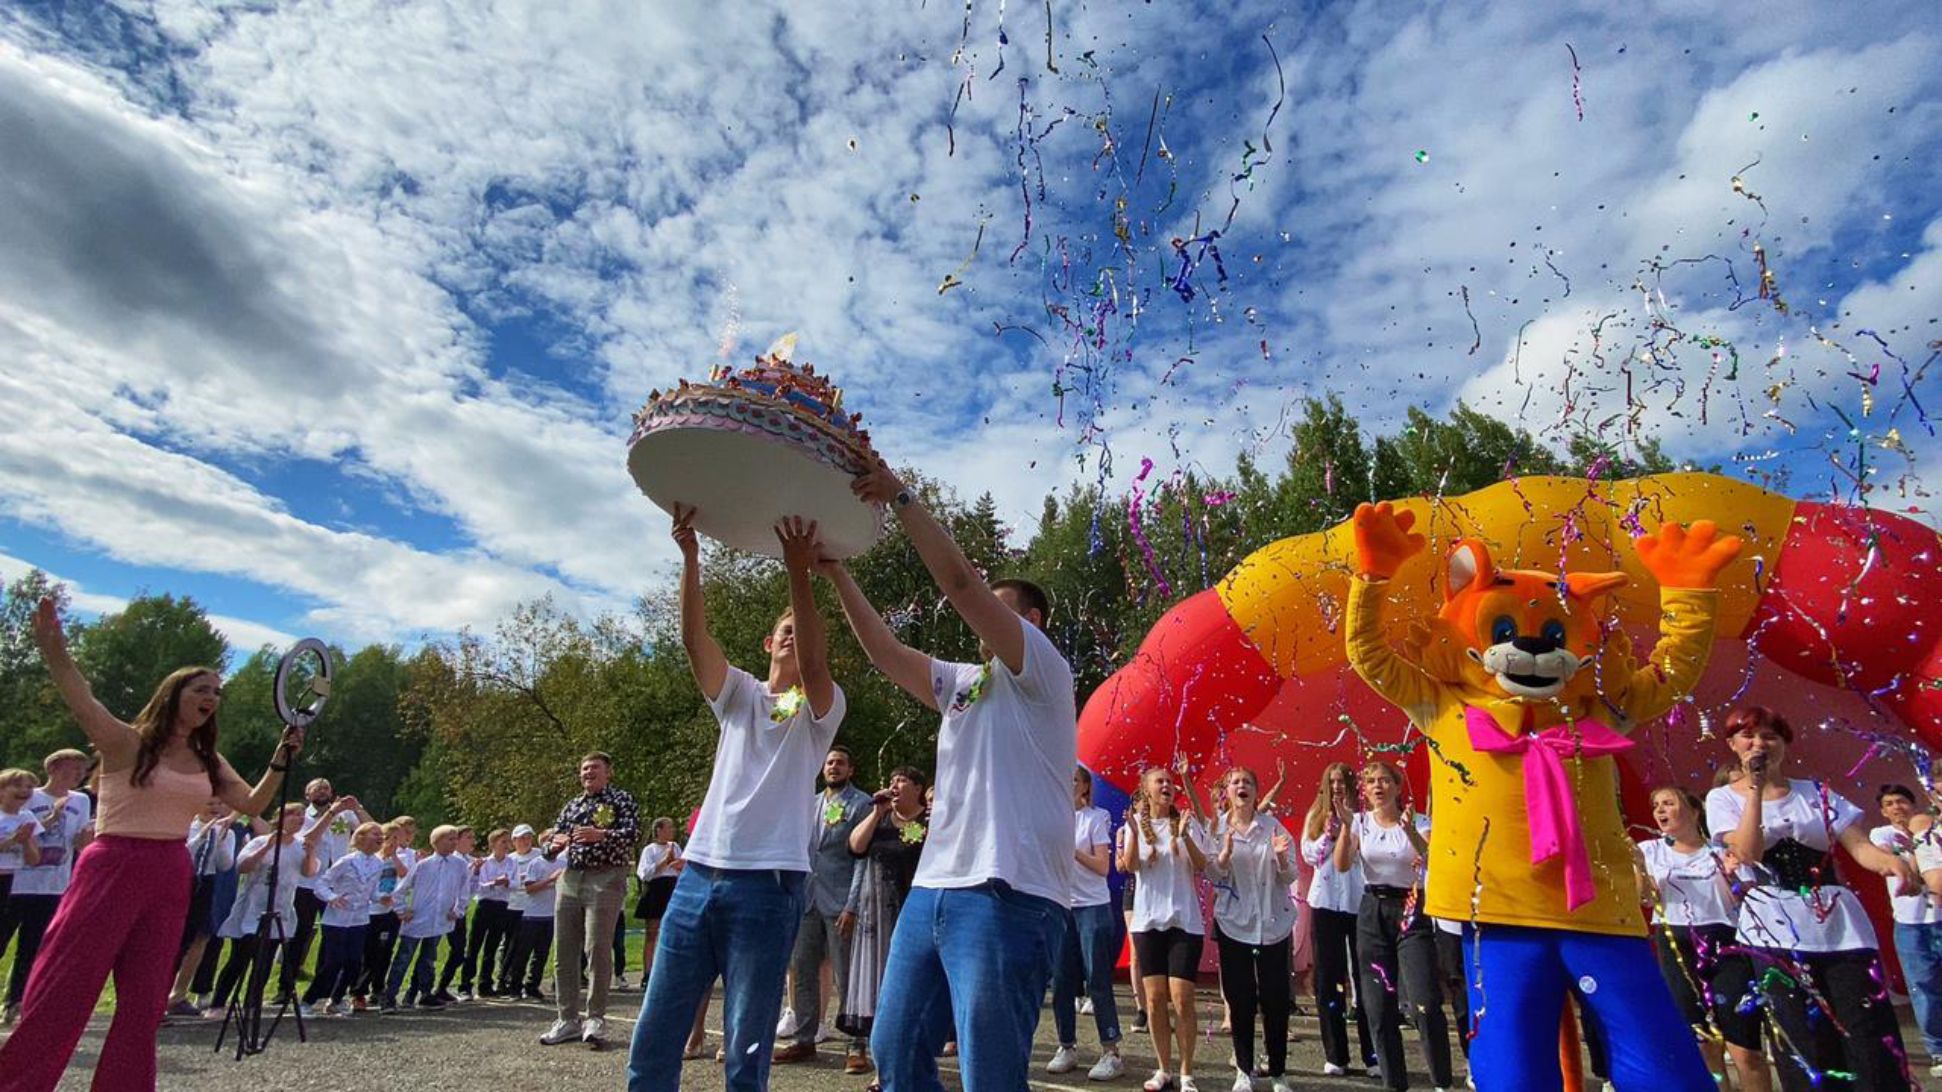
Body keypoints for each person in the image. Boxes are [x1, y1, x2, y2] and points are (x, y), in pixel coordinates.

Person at [825, 463, 1076, 1092]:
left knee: (988, 1074)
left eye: (1002, 606)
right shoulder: (965, 682)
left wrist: (902, 497)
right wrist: (834, 570)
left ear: (1033, 623)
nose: (982, 614)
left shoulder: (1044, 672)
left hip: (1006, 895)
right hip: (933, 891)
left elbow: (962, 584)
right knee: (894, 1047)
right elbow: (884, 652)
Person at [0, 598, 303, 1092]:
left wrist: (279, 759)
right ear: (174, 694)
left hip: (170, 869)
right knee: (66, 988)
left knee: (144, 1002)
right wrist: (55, 651)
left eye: (217, 692)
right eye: (202, 689)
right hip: (113, 862)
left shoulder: (209, 758)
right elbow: (83, 700)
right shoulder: (128, 742)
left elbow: (249, 804)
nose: (213, 697)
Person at [628, 511, 844, 1092]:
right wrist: (691, 557)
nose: (795, 633)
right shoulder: (739, 694)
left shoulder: (820, 709)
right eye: (785, 628)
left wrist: (800, 571)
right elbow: (693, 641)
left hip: (770, 886)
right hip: (698, 876)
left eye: (804, 626)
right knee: (656, 1031)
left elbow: (817, 663)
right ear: (767, 643)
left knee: (747, 1045)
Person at [1706, 705, 1920, 1092]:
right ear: (1733, 744)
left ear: (1784, 743)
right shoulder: (1722, 799)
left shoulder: (1816, 792)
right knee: (1802, 1036)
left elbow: (1857, 846)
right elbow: (1748, 851)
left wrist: (1890, 863)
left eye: (1770, 736)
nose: (1759, 744)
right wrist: (1755, 790)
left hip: (1839, 924)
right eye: (1749, 736)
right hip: (1772, 929)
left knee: (1865, 1030)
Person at [1333, 761, 1452, 1092]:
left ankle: (1441, 1081)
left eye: (1385, 781)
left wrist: (1409, 828)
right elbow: (1341, 865)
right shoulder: (1359, 822)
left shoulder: (1418, 821)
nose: (1378, 787)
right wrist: (1345, 828)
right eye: (1371, 782)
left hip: (1411, 907)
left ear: (1398, 787)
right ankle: (1393, 1083)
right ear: (1365, 791)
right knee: (1376, 1006)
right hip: (1373, 909)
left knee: (1424, 1001)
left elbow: (1432, 856)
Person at [1633, 786, 1759, 1089]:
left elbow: (1748, 896)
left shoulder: (1719, 851)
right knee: (1701, 1042)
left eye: (1669, 803)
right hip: (1677, 944)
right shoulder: (1651, 850)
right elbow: (1646, 898)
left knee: (1745, 1047)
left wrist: (1733, 878)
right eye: (1656, 805)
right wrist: (1636, 865)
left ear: (1693, 810)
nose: (1661, 810)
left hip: (1725, 942)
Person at [776, 745, 873, 1072]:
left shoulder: (861, 804)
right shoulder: (810, 803)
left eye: (840, 763)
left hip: (841, 902)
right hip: (807, 901)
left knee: (847, 976)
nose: (833, 767)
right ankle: (804, 1039)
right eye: (829, 762)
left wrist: (852, 903)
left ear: (851, 770)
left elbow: (863, 860)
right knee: (802, 969)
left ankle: (855, 1044)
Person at [538, 751, 640, 1047]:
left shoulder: (621, 800)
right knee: (564, 950)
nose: (588, 773)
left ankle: (595, 1017)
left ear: (609, 772)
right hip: (571, 877)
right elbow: (549, 846)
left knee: (597, 946)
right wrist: (553, 847)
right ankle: (566, 1018)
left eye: (594, 768)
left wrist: (603, 835)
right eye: (584, 769)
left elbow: (633, 833)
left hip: (606, 876)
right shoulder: (572, 806)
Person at [1119, 765, 1210, 1092]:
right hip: (1147, 922)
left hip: (1183, 922)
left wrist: (1185, 834)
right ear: (1147, 790)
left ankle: (1187, 1073)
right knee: (1155, 1000)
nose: (1168, 785)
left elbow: (1203, 866)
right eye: (1161, 782)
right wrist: (1130, 832)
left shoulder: (1186, 822)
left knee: (1183, 998)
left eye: (1171, 782)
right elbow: (1130, 868)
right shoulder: (1137, 827)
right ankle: (1164, 1069)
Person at [1208, 766, 1298, 1092]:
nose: (1241, 786)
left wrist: (1282, 861)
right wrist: (1224, 855)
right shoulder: (1217, 829)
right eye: (1235, 782)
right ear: (1227, 792)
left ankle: (1278, 1072)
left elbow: (1290, 877)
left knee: (1275, 1000)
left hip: (1273, 924)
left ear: (1257, 791)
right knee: (1240, 999)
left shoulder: (1273, 828)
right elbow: (1212, 875)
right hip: (1235, 924)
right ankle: (1244, 1069)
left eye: (1248, 782)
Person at [837, 766, 931, 1063]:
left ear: (918, 788)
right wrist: (877, 813)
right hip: (876, 914)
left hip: (912, 909)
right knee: (874, 979)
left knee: (909, 984)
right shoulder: (880, 820)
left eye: (902, 780)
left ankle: (910, 1051)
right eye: (892, 780)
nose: (894, 785)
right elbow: (855, 846)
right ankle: (871, 1051)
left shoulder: (928, 821)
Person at [1, 749, 92, 1028]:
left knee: (33, 947)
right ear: (53, 768)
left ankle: (16, 1002)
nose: (77, 775)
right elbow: (21, 821)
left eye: (80, 770)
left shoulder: (82, 800)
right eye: (71, 768)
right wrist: (51, 817)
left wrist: (86, 839)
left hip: (54, 883)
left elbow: (78, 843)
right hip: (16, 882)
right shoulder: (32, 797)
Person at [208, 802, 325, 1013]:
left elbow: (308, 873)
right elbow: (243, 867)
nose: (298, 819)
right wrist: (268, 846)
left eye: (301, 816)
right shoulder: (261, 840)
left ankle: (252, 1004)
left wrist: (309, 854)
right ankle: (218, 1003)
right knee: (239, 958)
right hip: (253, 906)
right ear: (280, 818)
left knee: (264, 960)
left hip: (280, 908)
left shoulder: (301, 845)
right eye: (293, 815)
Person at [1300, 762, 1377, 1078]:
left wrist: (1349, 827)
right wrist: (1327, 837)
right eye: (1331, 782)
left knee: (1366, 979)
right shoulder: (1316, 816)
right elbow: (1309, 855)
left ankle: (1373, 1054)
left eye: (1342, 781)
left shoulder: (1364, 817)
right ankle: (1336, 1054)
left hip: (1360, 902)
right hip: (1326, 903)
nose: (1337, 787)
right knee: (1329, 978)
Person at [1048, 766, 1125, 1080]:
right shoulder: (1052, 817)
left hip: (1092, 907)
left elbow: (1102, 867)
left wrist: (1074, 852)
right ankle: (1067, 1045)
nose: (1068, 784)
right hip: (1061, 908)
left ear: (1085, 787)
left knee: (1097, 980)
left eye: (1075, 780)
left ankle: (1111, 1051)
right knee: (1061, 982)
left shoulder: (1096, 817)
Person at [1872, 783, 1942, 1077]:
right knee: (1923, 988)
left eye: (1901, 801)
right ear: (1883, 811)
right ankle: (1937, 1050)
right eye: (1889, 803)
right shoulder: (1882, 835)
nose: (1896, 807)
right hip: (1911, 924)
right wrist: (1918, 843)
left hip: (1938, 916)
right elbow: (1897, 866)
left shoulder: (1932, 830)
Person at [288, 777, 369, 1001]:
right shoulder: (302, 816)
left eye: (327, 788)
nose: (323, 791)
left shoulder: (346, 815)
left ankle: (323, 987)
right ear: (308, 794)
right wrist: (331, 813)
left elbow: (374, 831)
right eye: (317, 788)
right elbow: (307, 839)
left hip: (336, 885)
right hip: (308, 882)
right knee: (300, 933)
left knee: (332, 936)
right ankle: (286, 987)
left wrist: (357, 808)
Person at [304, 820, 390, 1016]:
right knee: (333, 962)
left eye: (381, 835)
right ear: (360, 837)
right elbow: (321, 885)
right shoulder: (347, 861)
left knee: (354, 964)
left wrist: (381, 897)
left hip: (359, 919)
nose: (380, 838)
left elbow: (372, 890)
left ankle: (336, 999)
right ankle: (309, 1000)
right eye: (374, 834)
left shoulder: (378, 863)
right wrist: (333, 898)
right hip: (336, 920)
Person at [383, 823, 471, 1013]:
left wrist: (458, 910)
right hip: (417, 919)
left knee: (429, 959)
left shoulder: (460, 865)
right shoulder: (423, 865)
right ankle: (389, 997)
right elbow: (400, 890)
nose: (454, 843)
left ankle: (425, 993)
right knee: (403, 959)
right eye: (450, 839)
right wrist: (401, 910)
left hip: (440, 919)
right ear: (436, 842)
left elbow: (465, 890)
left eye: (456, 839)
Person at [165, 798, 239, 1016]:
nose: (215, 808)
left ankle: (178, 994)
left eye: (219, 804)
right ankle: (161, 989)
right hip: (182, 880)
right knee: (175, 937)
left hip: (206, 882)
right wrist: (202, 835)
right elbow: (185, 854)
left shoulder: (227, 831)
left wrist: (220, 840)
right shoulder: (185, 825)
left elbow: (225, 864)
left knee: (201, 936)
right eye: (210, 803)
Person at [352, 819, 411, 1011]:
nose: (392, 842)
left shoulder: (397, 859)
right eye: (388, 838)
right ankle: (358, 991)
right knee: (368, 953)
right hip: (371, 912)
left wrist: (393, 856)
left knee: (385, 952)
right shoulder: (373, 860)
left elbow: (404, 874)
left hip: (390, 911)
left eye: (396, 838)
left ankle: (378, 988)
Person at [508, 829, 568, 1001]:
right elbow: (530, 888)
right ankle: (515, 986)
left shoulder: (563, 862)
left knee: (542, 954)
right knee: (523, 953)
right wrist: (550, 880)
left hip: (551, 914)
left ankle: (533, 985)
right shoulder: (536, 863)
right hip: (532, 915)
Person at [468, 828, 522, 998]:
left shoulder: (512, 863)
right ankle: (465, 984)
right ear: (493, 844)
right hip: (485, 905)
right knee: (474, 946)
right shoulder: (484, 862)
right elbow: (478, 887)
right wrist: (493, 883)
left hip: (501, 906)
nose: (507, 846)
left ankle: (485, 984)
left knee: (492, 947)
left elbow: (516, 883)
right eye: (503, 842)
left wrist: (507, 883)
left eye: (508, 842)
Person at [433, 825, 480, 1002]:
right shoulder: (449, 860)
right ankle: (418, 990)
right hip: (441, 911)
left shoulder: (470, 861)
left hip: (458, 913)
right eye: (468, 837)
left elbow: (472, 890)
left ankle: (442, 987)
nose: (472, 841)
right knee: (430, 951)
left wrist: (475, 873)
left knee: (459, 951)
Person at [633, 817, 682, 988]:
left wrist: (679, 864)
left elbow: (681, 869)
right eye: (669, 827)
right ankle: (647, 973)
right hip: (655, 890)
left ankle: (672, 970)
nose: (672, 830)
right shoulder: (650, 850)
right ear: (659, 830)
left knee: (673, 933)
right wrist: (664, 862)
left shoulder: (675, 847)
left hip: (672, 889)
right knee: (652, 934)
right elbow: (644, 874)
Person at [497, 823, 544, 998]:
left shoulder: (539, 855)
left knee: (538, 949)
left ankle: (532, 984)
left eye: (528, 837)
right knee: (512, 947)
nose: (526, 841)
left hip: (536, 908)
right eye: (522, 838)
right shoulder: (510, 859)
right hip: (514, 907)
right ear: (514, 840)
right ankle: (506, 981)